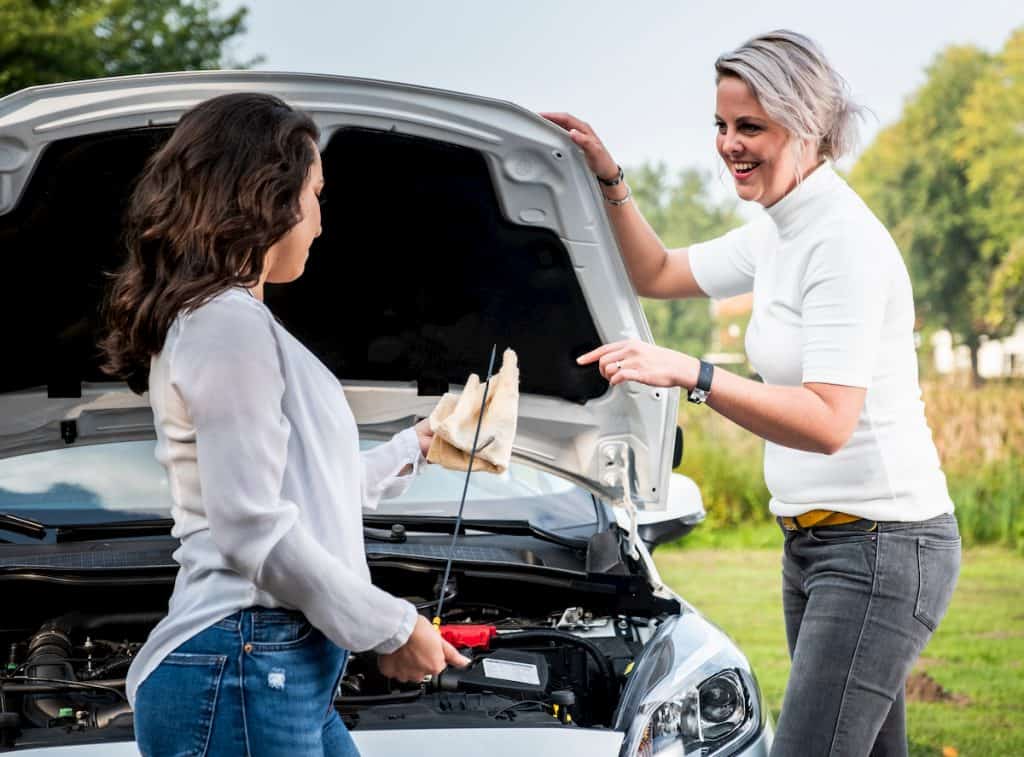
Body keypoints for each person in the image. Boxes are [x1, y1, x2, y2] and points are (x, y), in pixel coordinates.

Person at [544, 30, 960, 757]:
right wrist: (609, 177)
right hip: (817, 545)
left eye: (750, 127)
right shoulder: (780, 231)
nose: (729, 144)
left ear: (805, 127)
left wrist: (695, 373)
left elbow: (831, 421)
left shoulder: (842, 243)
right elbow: (659, 270)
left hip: (882, 547)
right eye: (721, 125)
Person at [101, 92, 468, 757]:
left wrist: (416, 445)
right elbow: (252, 529)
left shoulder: (238, 323)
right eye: (317, 194)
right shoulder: (224, 324)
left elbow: (308, 494)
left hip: (274, 664)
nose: (321, 222)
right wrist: (391, 626)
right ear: (269, 194)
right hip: (243, 659)